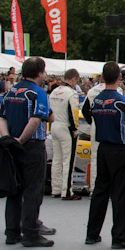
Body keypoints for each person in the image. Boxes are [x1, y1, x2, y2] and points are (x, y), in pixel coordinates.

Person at [81, 61, 125, 248]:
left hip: (103, 148)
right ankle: (119, 237)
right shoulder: (123, 102)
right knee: (120, 193)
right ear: (119, 78)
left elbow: (86, 113)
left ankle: (92, 233)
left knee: (100, 190)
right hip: (119, 147)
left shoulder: (96, 99)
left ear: (102, 77)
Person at [0, 58, 54, 247]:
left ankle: (12, 232)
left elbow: (1, 117)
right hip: (31, 145)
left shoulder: (11, 91)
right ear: (40, 73)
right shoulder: (38, 92)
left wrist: (7, 138)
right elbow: (36, 120)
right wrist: (21, 140)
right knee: (32, 190)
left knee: (14, 189)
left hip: (11, 144)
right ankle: (30, 233)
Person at [49, 69, 81, 200]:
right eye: (76, 81)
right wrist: (75, 130)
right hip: (65, 127)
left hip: (54, 125)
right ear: (73, 79)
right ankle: (67, 191)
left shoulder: (54, 91)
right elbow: (74, 114)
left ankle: (55, 189)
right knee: (68, 160)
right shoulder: (71, 93)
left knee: (57, 159)